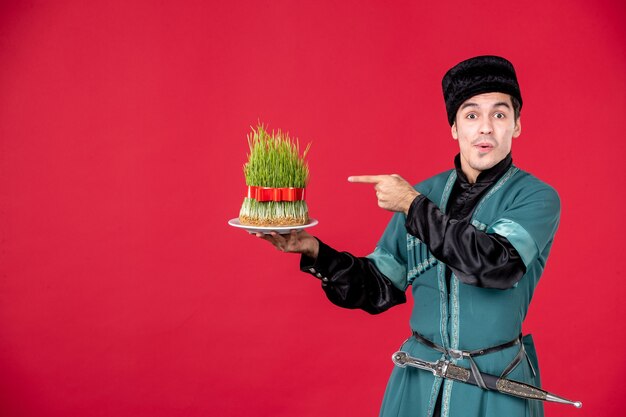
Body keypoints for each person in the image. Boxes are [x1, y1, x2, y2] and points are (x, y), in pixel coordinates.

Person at [256, 55, 560, 417]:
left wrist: (413, 207)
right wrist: (315, 251)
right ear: (454, 128)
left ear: (517, 125)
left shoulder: (535, 197)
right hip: (418, 383)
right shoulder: (423, 193)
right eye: (471, 115)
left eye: (499, 114)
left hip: (495, 386)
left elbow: (496, 265)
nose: (485, 129)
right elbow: (379, 287)